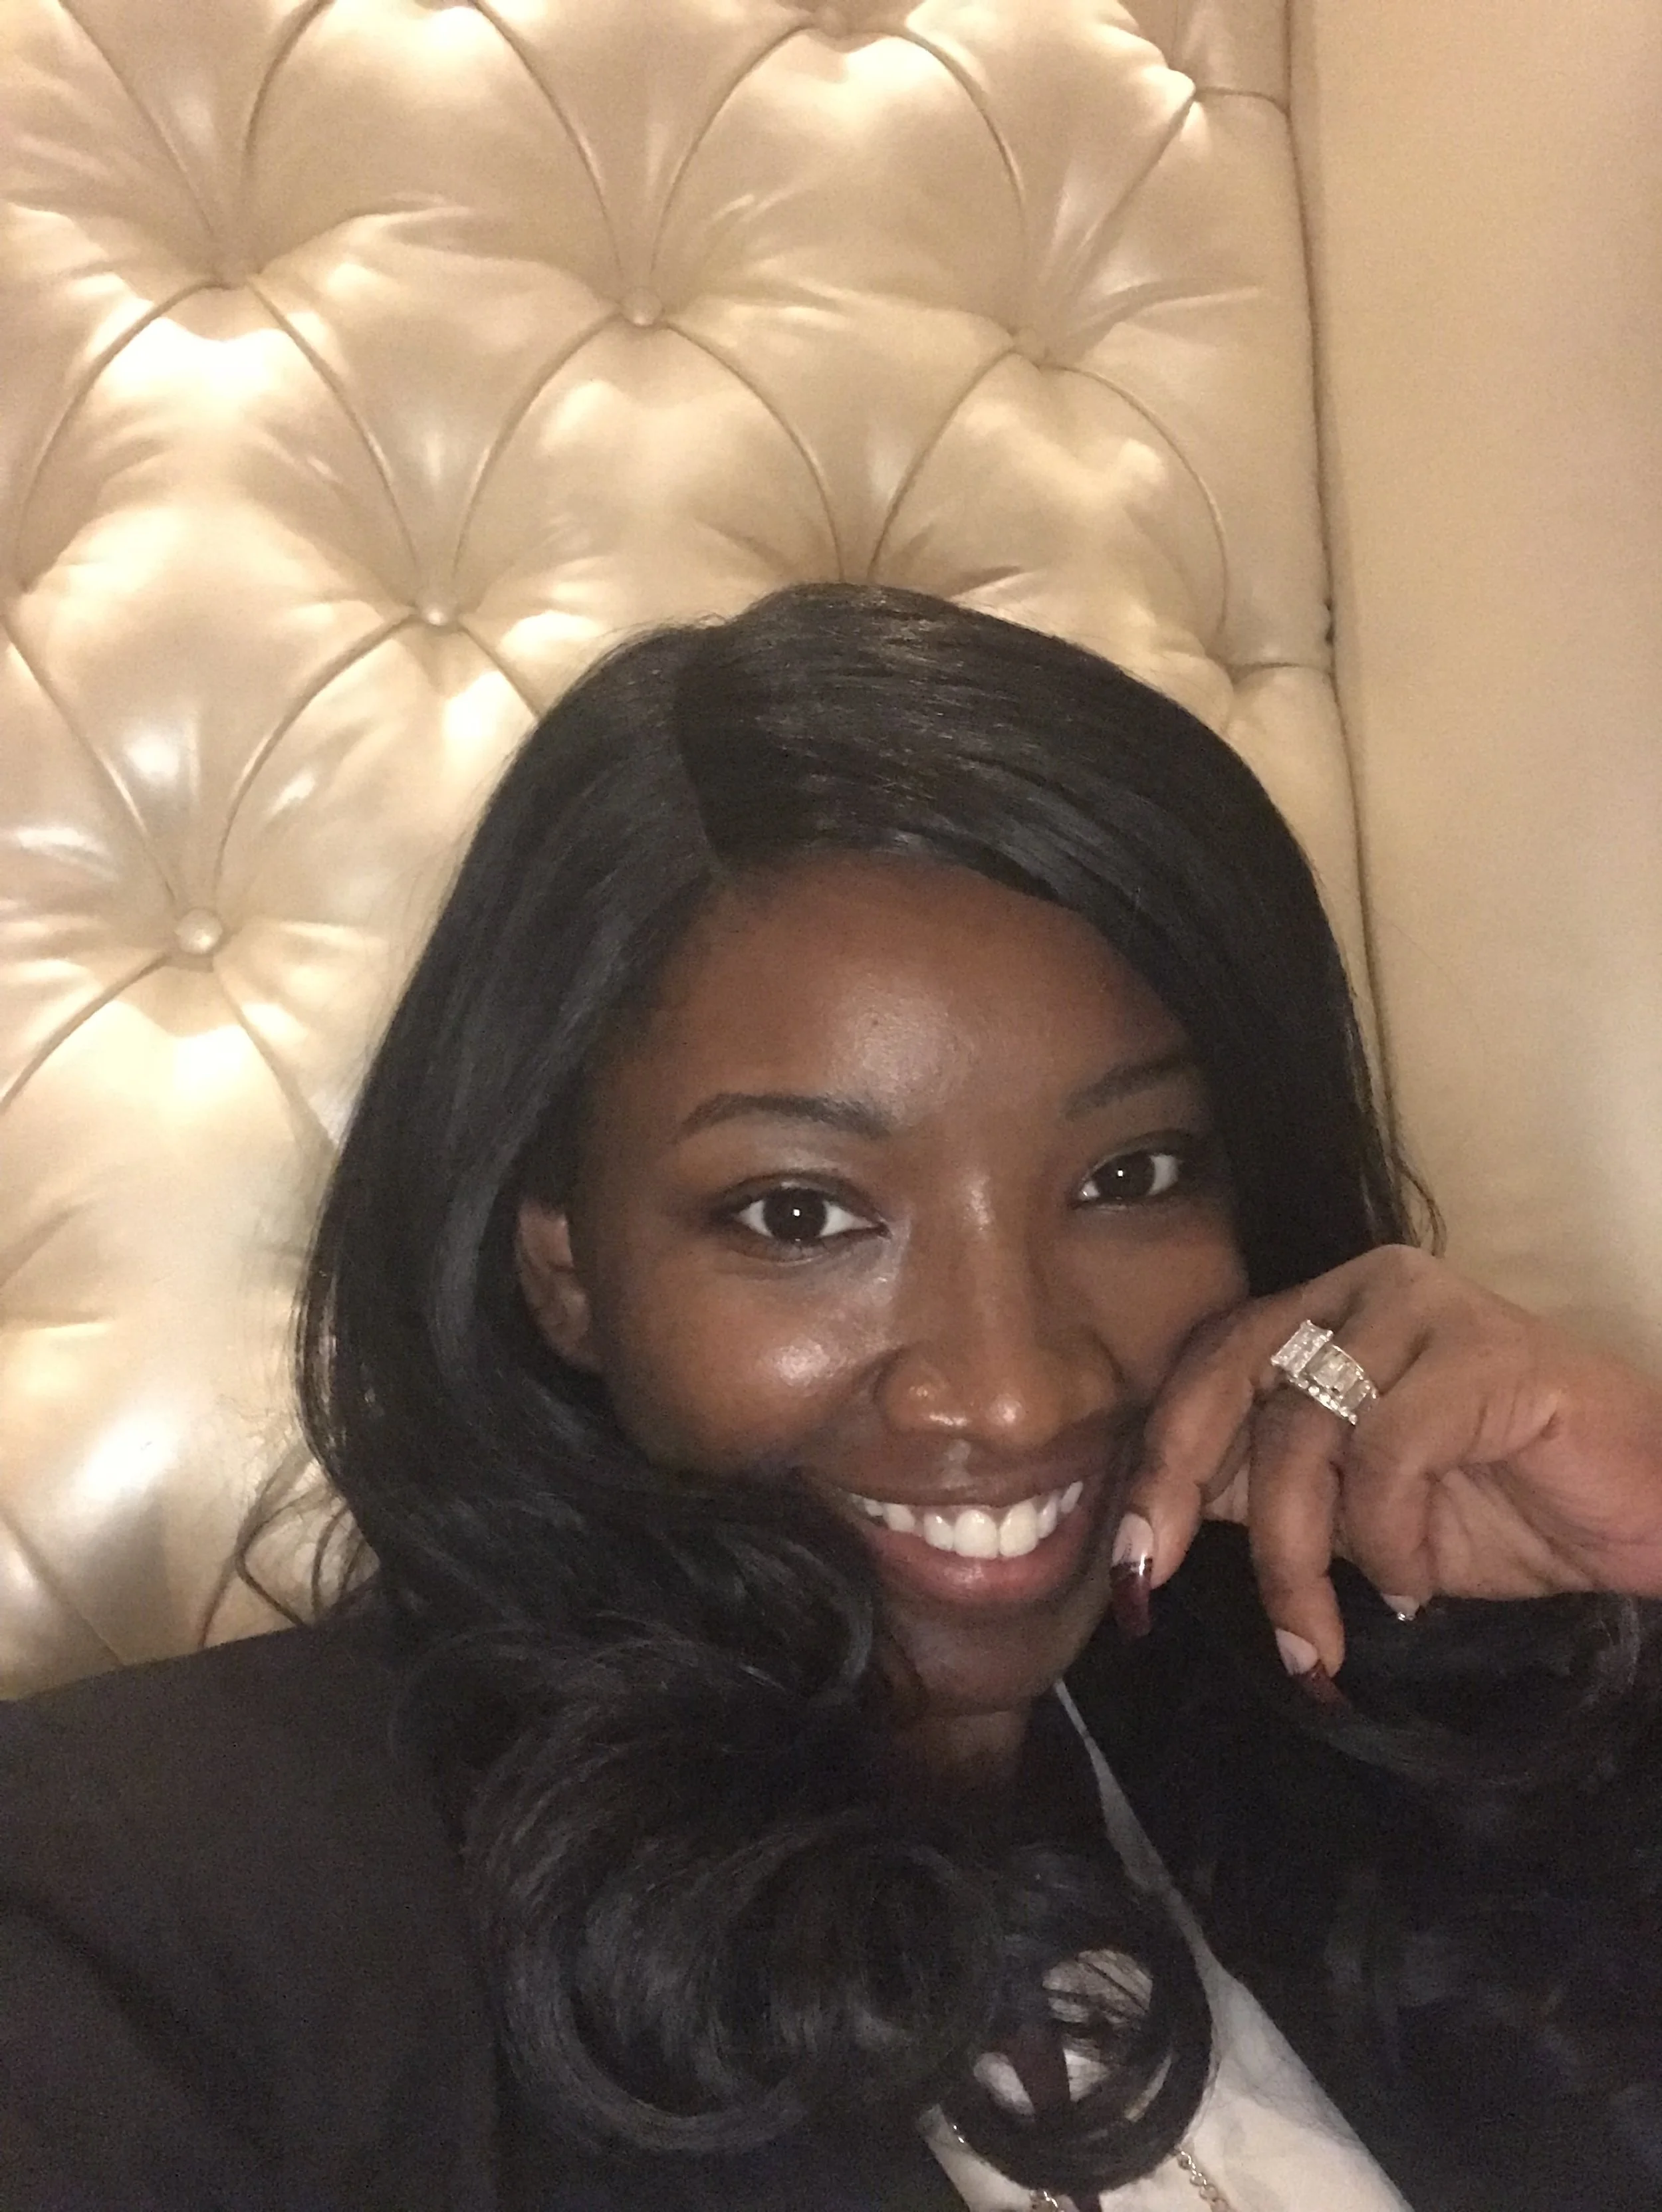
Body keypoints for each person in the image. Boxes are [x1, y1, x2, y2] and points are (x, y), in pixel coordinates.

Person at [3, 585, 1662, 2212]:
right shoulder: (151, 1908)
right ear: (565, 1265)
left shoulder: (1411, 1732)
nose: (1010, 1390)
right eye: (799, 1213)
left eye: (1130, 1173)